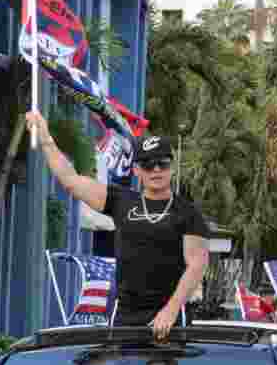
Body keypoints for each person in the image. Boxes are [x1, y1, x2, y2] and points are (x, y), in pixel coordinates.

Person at [26, 110, 210, 339]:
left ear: (171, 167)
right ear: (137, 170)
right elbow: (71, 181)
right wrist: (45, 138)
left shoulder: (187, 212)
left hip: (170, 317)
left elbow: (197, 264)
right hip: (124, 315)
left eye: (162, 164)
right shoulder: (122, 201)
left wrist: (170, 311)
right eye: (148, 164)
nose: (155, 170)